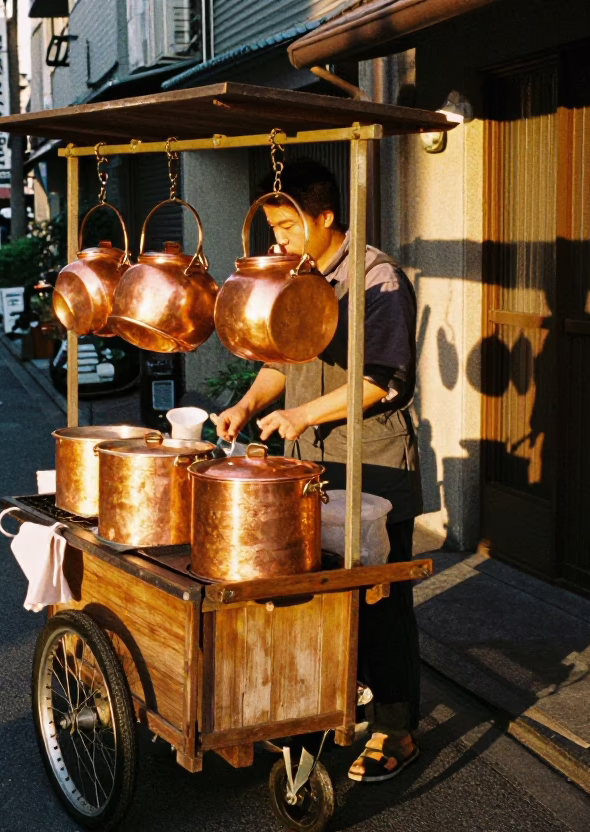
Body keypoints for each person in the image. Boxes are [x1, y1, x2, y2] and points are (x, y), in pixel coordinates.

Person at [211, 159, 423, 783]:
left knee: (382, 602)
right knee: (318, 595)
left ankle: (397, 730)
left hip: (372, 462)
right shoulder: (295, 275)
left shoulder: (375, 277)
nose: (276, 238)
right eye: (271, 225)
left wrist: (301, 414)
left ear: (326, 216)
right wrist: (248, 404)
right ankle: (331, 706)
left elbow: (380, 381)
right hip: (314, 463)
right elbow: (282, 357)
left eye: (286, 224)